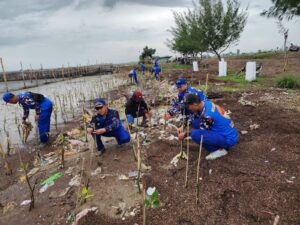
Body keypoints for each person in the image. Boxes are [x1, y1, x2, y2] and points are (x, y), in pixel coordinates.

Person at [178, 93, 238, 160]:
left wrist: (185, 134)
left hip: (228, 139)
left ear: (195, 104)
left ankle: (219, 150)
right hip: (225, 132)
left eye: (188, 106)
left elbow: (201, 132)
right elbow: (193, 117)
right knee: (195, 122)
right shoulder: (205, 104)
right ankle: (217, 143)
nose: (188, 108)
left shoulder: (208, 115)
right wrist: (183, 125)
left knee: (195, 134)